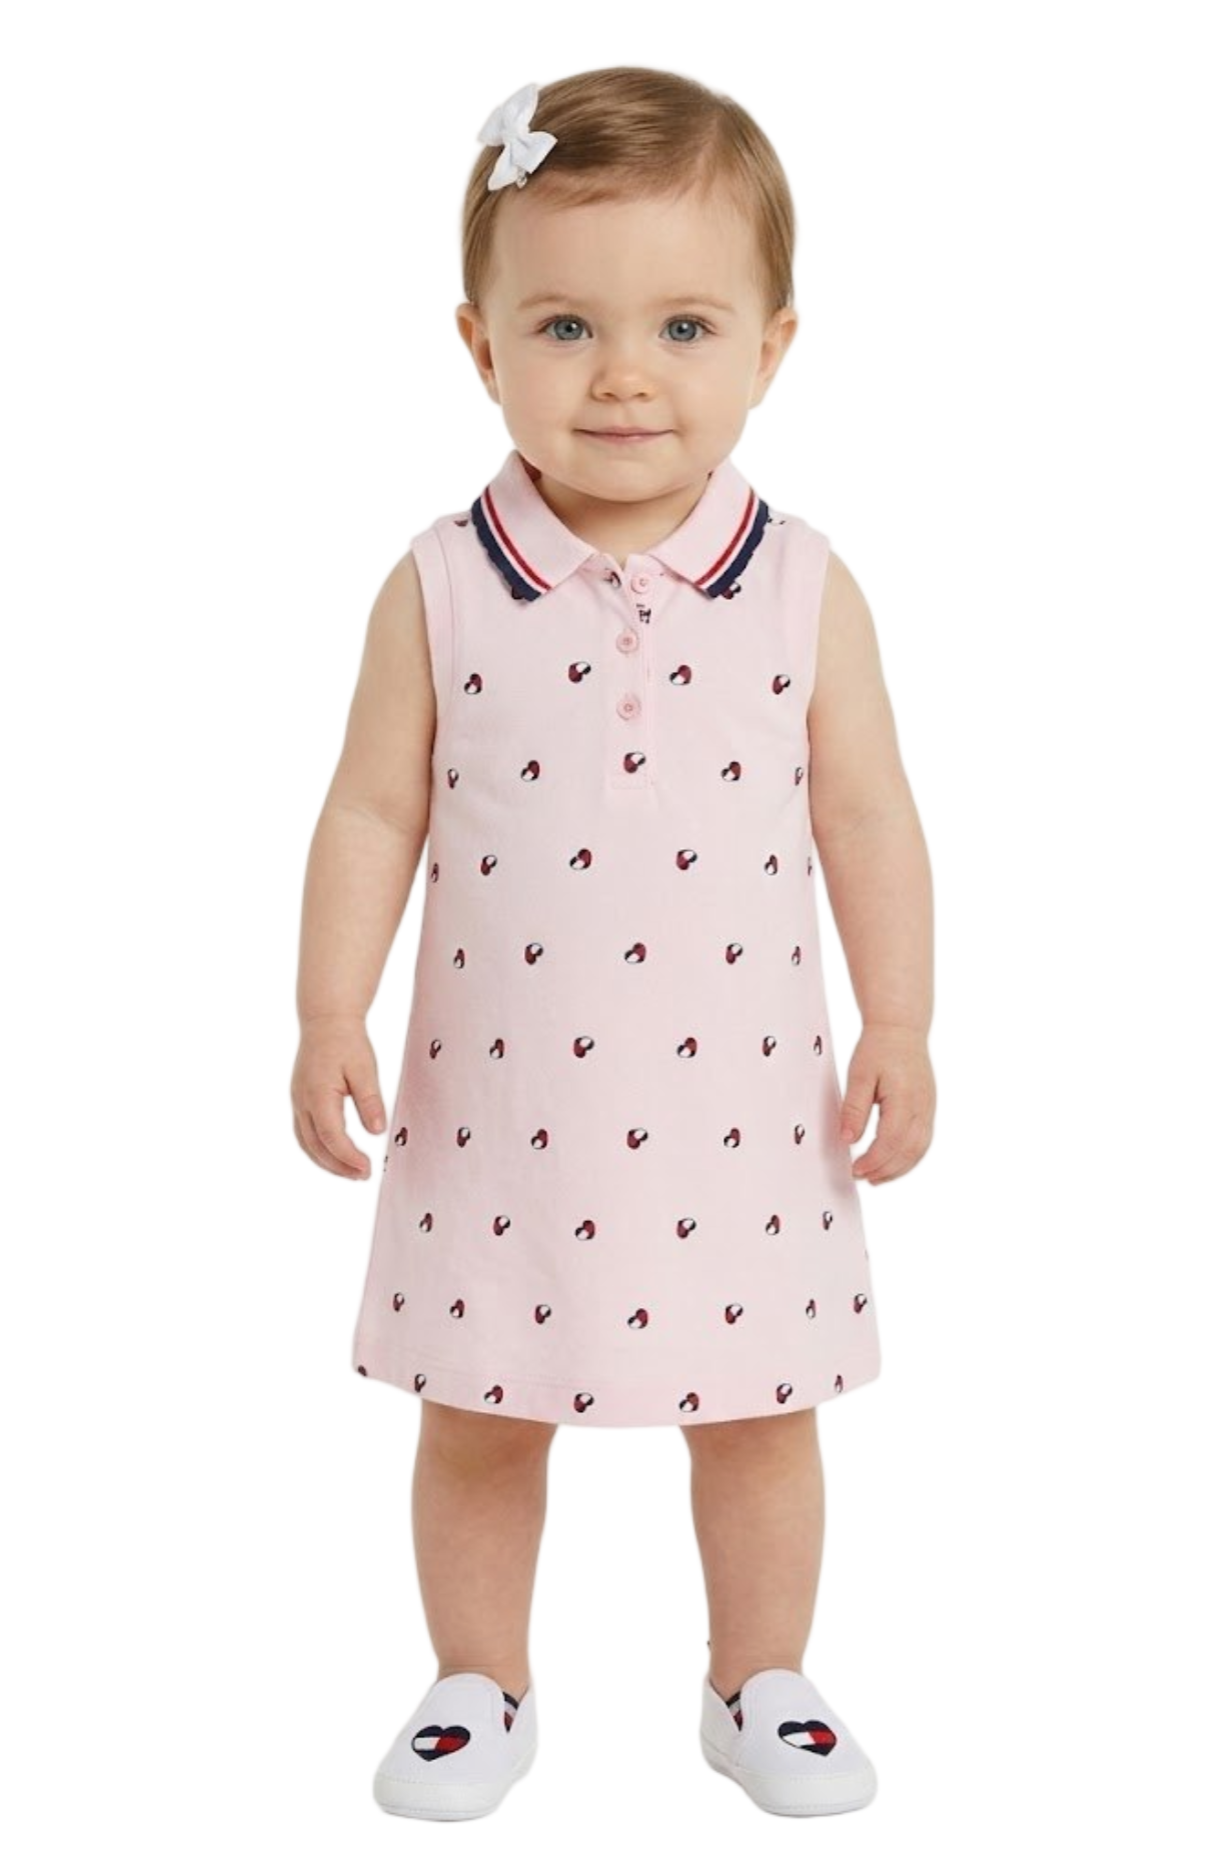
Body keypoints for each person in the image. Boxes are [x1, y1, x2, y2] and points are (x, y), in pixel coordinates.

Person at [291, 67, 935, 1823]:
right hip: (498, 1107)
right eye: (566, 325)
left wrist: (898, 1021)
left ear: (771, 348)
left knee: (763, 1411)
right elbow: (370, 813)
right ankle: (476, 1678)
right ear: (480, 344)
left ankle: (759, 1676)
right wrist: (328, 1006)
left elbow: (867, 816)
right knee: (479, 1410)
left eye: (683, 326)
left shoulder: (800, 585)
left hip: (741, 1108)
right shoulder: (442, 583)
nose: (624, 375)